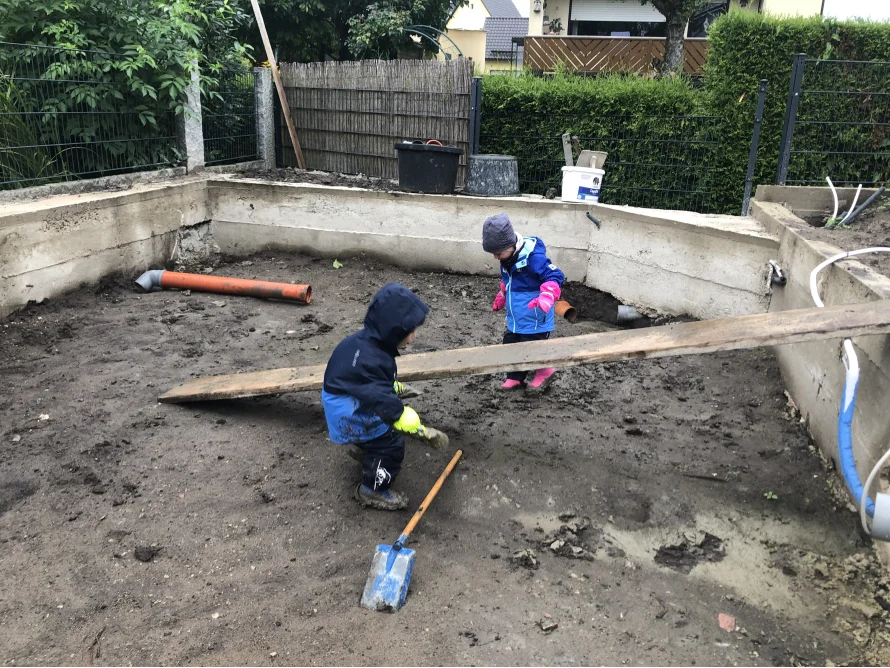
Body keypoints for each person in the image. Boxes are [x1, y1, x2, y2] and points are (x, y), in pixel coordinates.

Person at [321, 283, 448, 511]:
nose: (412, 337)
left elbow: (368, 382)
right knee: (391, 443)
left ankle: (363, 446)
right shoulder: (370, 360)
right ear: (392, 330)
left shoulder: (363, 343)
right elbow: (381, 399)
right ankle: (372, 489)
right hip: (347, 412)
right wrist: (411, 423)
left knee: (382, 431)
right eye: (408, 331)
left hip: (344, 398)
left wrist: (394, 387)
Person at [483, 213, 566, 391]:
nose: (495, 257)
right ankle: (515, 377)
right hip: (516, 317)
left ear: (510, 245)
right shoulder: (507, 258)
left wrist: (547, 295)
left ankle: (545, 372)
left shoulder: (533, 258)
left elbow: (555, 275)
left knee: (532, 348)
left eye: (498, 253)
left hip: (535, 317)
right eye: (493, 254)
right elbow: (509, 281)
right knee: (511, 346)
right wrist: (502, 294)